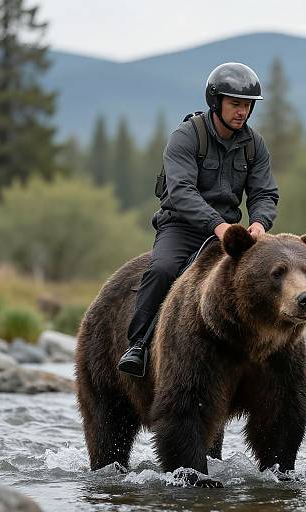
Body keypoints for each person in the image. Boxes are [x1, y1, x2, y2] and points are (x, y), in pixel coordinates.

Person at [118, 62, 279, 377]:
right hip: (181, 227)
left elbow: (264, 193)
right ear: (215, 102)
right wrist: (217, 225)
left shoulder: (254, 145)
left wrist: (259, 223)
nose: (242, 112)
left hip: (231, 231)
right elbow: (181, 191)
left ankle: (283, 352)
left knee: (275, 274)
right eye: (235, 104)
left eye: (247, 105)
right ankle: (138, 345)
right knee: (162, 269)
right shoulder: (186, 137)